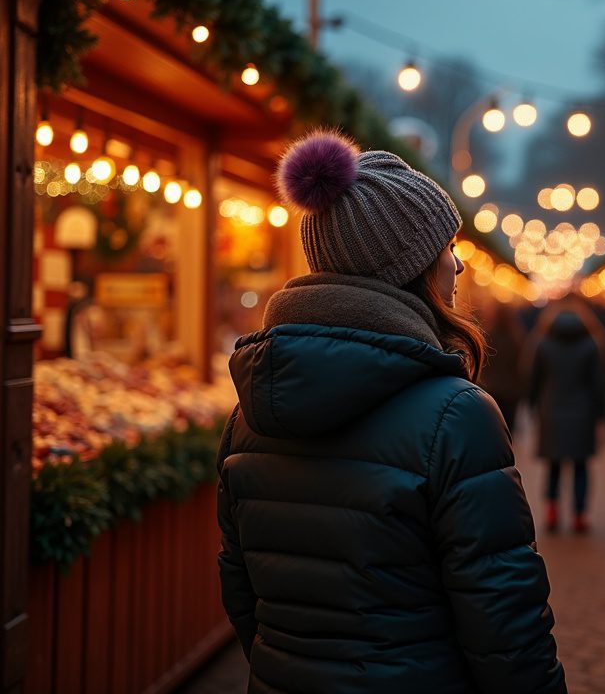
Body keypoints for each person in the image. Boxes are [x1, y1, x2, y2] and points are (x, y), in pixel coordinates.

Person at [217, 131, 567, 694]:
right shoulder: (456, 415)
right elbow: (503, 620)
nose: (455, 266)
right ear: (411, 267)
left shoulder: (249, 413)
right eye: (445, 249)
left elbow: (241, 588)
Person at [528, 302, 605, 534]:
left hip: (551, 409)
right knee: (581, 466)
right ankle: (579, 515)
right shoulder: (591, 345)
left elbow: (534, 379)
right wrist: (603, 415)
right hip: (583, 413)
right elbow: (598, 384)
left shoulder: (543, 343)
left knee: (553, 465)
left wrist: (532, 406)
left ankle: (552, 510)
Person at [480, 301, 526, 435]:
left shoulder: (487, 336)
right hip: (511, 390)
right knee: (508, 428)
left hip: (489, 388)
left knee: (491, 428)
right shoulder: (516, 337)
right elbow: (521, 364)